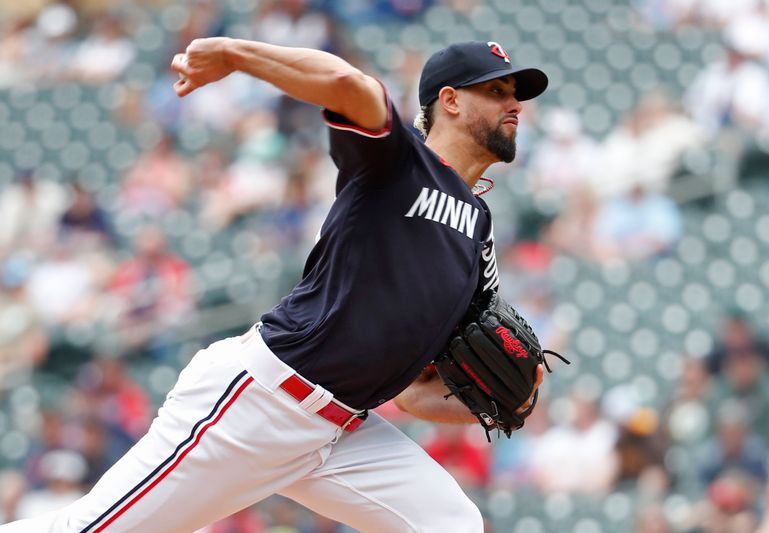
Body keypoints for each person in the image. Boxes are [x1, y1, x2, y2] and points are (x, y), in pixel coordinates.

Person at [0, 38, 548, 532]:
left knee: (451, 525)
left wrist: (500, 403)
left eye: (515, 94)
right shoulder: (401, 162)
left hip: (341, 433)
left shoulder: (478, 234)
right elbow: (345, 84)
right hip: (259, 402)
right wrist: (234, 56)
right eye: (497, 91)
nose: (514, 105)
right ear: (449, 101)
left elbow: (412, 392)